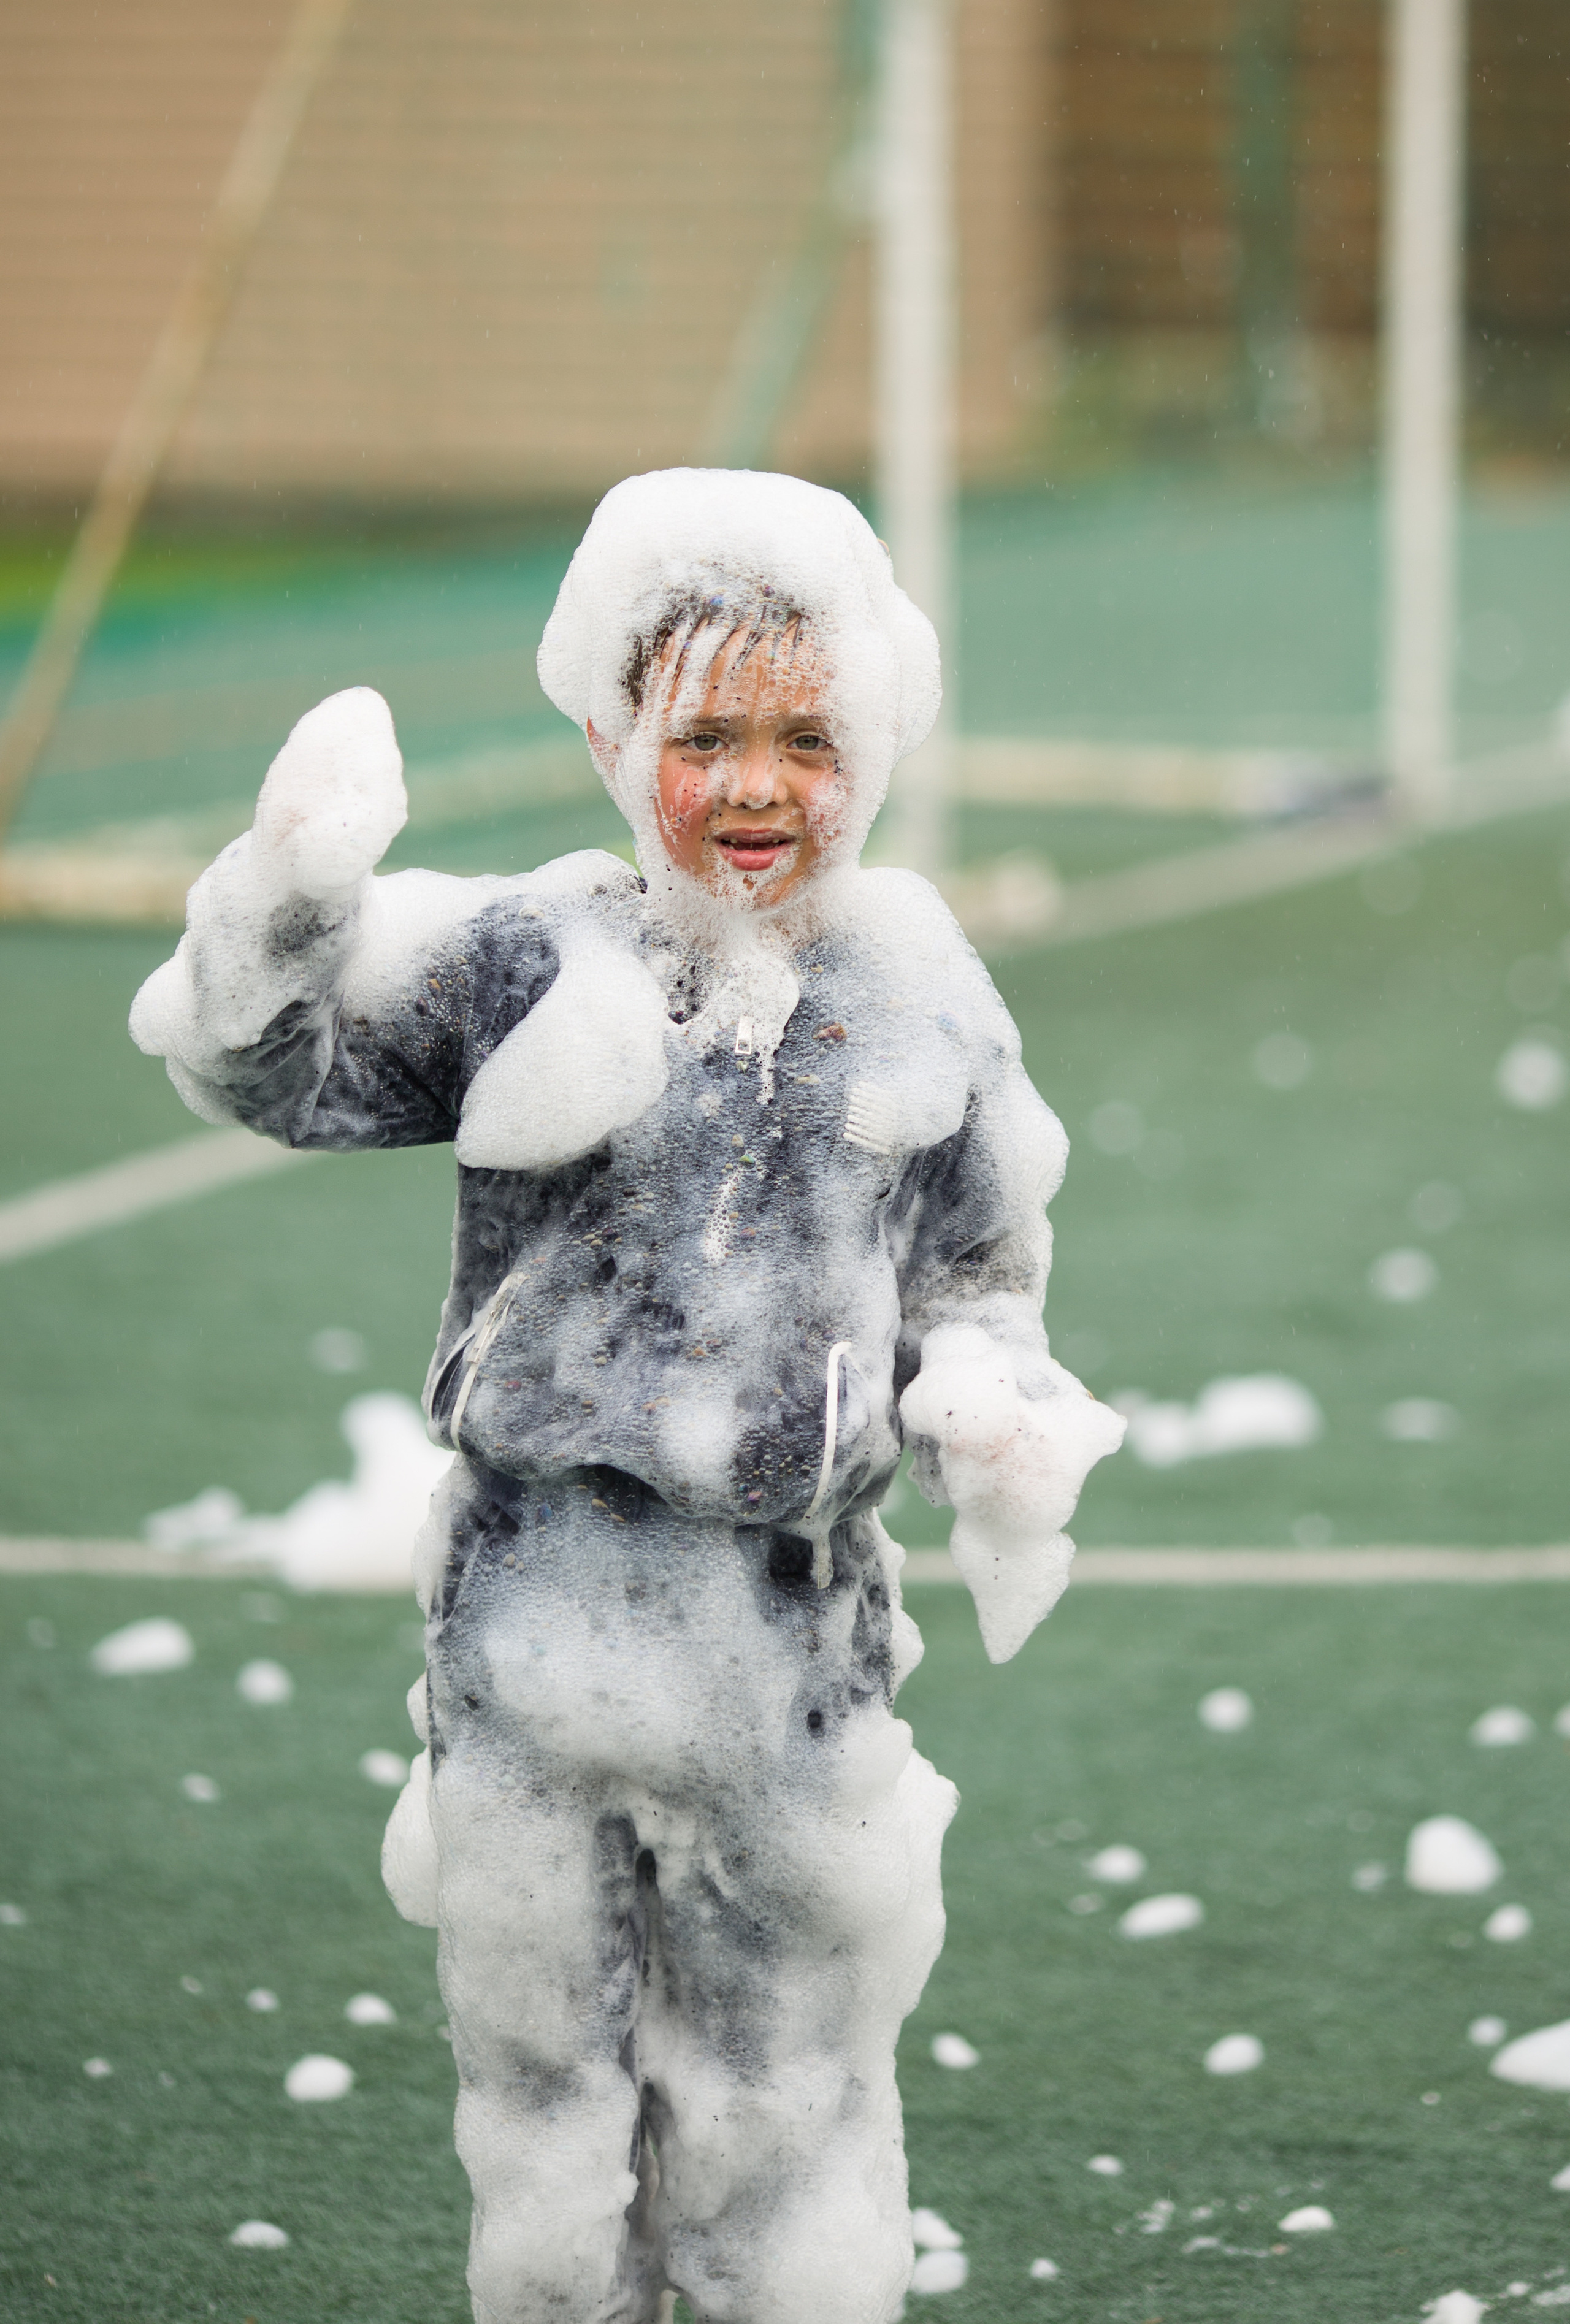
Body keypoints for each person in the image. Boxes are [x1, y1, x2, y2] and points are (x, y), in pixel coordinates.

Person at [130, 468, 1123, 2324]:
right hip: (527, 1617)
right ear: (613, 733)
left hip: (787, 1644)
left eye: (809, 738)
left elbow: (983, 1271)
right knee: (542, 2106)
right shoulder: (533, 956)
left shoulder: (921, 996)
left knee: (781, 2097)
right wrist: (281, 904)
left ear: (879, 744)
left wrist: (994, 1407)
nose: (758, 784)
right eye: (708, 734)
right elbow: (278, 1078)